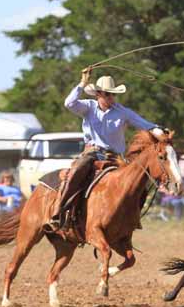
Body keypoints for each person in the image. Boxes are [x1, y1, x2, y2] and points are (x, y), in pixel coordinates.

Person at [46, 67, 166, 229]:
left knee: (138, 182)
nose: (112, 97)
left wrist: (161, 132)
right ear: (98, 94)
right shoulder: (88, 107)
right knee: (76, 172)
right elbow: (69, 103)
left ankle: (132, 217)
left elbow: (146, 125)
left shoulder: (123, 112)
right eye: (108, 94)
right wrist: (83, 83)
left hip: (115, 157)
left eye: (113, 94)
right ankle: (60, 210)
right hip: (92, 153)